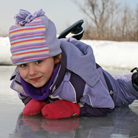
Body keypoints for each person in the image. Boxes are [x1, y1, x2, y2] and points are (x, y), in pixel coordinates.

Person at [9, 9, 138, 119]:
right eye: (23, 65)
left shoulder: (80, 81)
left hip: (111, 89)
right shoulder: (21, 78)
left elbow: (106, 105)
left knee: (126, 87)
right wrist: (34, 101)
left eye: (38, 61)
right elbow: (24, 93)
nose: (31, 72)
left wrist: (73, 108)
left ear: (56, 58)